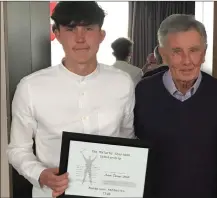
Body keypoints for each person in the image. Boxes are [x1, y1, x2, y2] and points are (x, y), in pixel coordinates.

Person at [7, 2, 135, 198]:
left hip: (109, 192)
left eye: (89, 28)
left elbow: (127, 138)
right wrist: (40, 174)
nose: (80, 38)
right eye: (70, 29)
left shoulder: (122, 83)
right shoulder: (30, 87)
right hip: (52, 194)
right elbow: (17, 149)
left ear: (101, 35)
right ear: (57, 34)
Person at [134, 14, 217, 198]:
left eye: (194, 50)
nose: (187, 61)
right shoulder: (142, 92)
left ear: (204, 53)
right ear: (163, 54)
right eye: (177, 51)